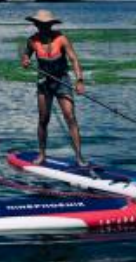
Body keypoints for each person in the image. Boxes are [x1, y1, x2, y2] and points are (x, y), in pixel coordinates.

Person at [20, 9, 87, 166]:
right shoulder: (31, 41)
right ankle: (42, 154)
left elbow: (74, 59)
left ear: (51, 24)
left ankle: (79, 156)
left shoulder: (61, 39)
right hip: (44, 82)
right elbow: (25, 56)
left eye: (47, 24)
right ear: (36, 24)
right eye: (40, 24)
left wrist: (80, 80)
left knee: (70, 116)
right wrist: (25, 61)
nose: (44, 27)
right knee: (44, 119)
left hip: (62, 80)